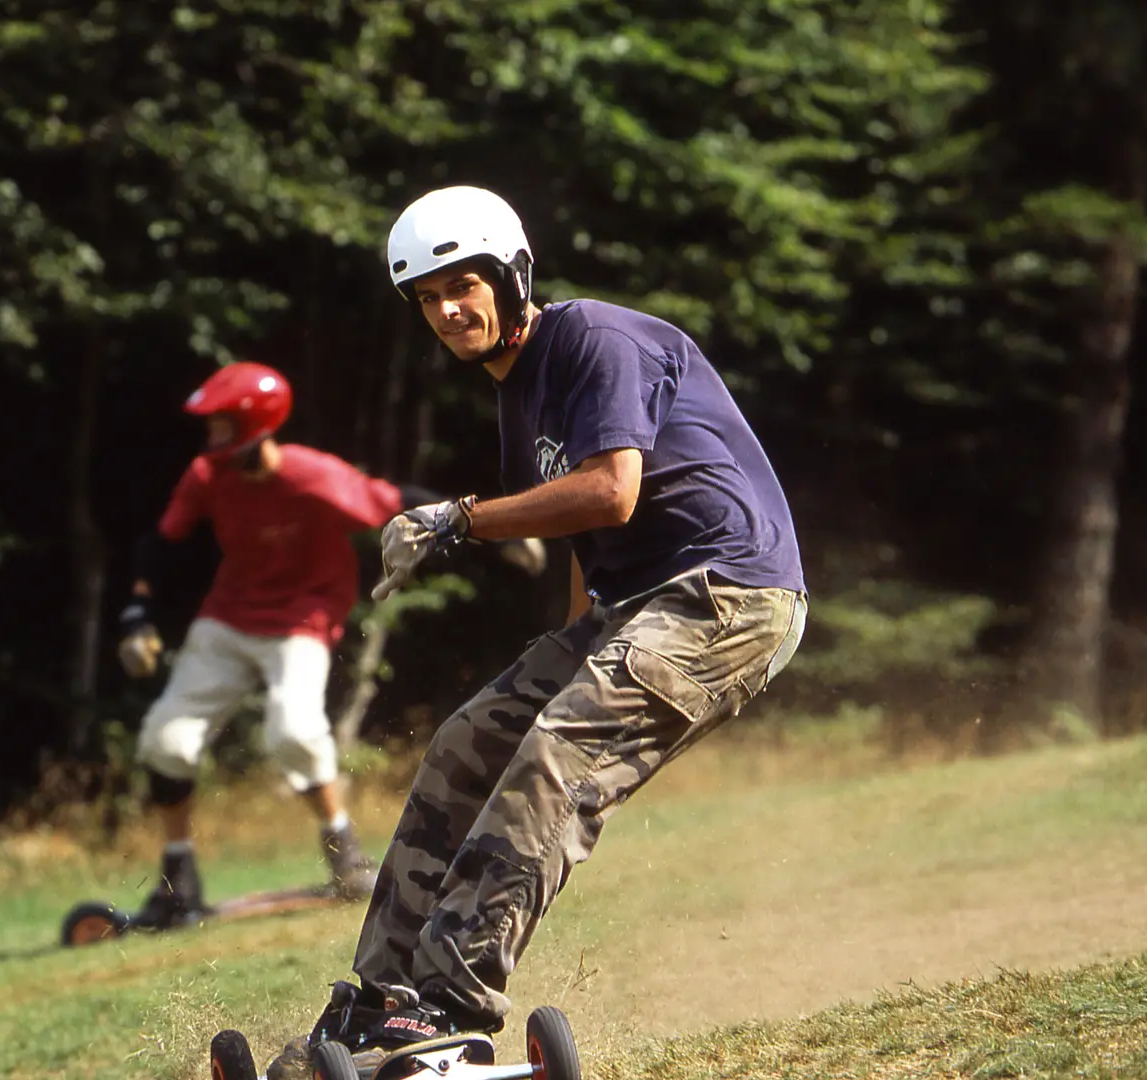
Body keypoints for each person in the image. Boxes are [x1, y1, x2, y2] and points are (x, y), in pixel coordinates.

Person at [266, 187, 809, 1078]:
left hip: (725, 595)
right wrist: (574, 646)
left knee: (552, 760)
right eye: (426, 297)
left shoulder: (593, 338)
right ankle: (380, 1003)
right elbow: (583, 540)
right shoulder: (518, 396)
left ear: (512, 275)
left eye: (463, 285)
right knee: (464, 748)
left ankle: (446, 1006)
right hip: (628, 607)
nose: (447, 310)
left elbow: (610, 491)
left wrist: (457, 519)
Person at [121, 360, 547, 930]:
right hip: (228, 619)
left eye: (220, 426)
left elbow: (401, 500)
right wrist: (137, 615)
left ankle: (344, 854)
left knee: (293, 732)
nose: (209, 438)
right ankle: (178, 880)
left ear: (251, 428)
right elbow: (162, 541)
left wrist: (498, 536)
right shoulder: (207, 476)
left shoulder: (309, 476)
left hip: (301, 621)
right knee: (166, 740)